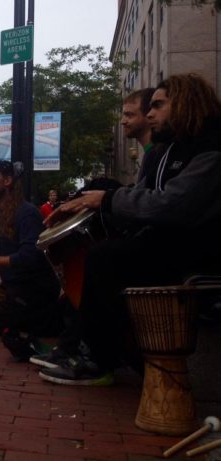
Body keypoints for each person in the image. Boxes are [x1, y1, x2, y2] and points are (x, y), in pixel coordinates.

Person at [39, 73, 221, 386]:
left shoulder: (211, 148)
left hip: (199, 254)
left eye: (158, 105)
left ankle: (98, 359)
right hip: (168, 246)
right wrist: (91, 204)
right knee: (101, 253)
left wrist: (107, 199)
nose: (151, 114)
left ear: (185, 103)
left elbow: (173, 204)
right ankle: (86, 348)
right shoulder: (169, 150)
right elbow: (142, 199)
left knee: (105, 257)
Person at [0, 160, 62, 361]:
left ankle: (53, 326)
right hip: (14, 287)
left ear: (7, 181)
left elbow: (30, 256)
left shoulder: (27, 213)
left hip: (36, 290)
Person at [121, 87, 157, 184]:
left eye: (129, 115)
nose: (122, 121)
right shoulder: (151, 153)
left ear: (150, 115)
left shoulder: (158, 155)